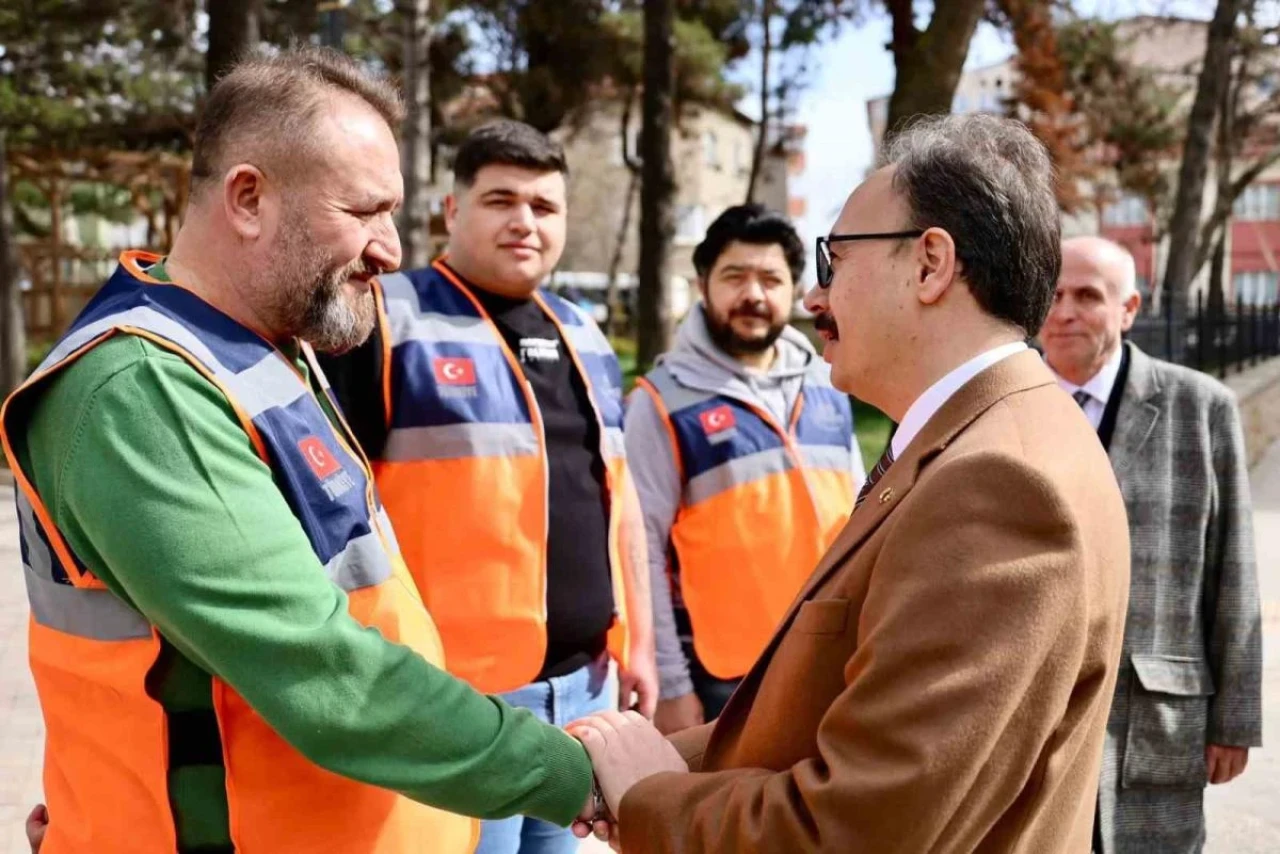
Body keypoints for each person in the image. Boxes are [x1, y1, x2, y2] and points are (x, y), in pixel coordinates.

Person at [2, 48, 598, 854]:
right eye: (365, 211)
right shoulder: (142, 387)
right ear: (249, 198)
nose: (391, 248)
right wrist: (579, 775)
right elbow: (328, 679)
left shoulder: (268, 345)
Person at [568, 113, 1133, 853]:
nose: (813, 297)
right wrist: (633, 763)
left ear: (931, 264)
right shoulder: (981, 436)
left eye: (834, 260)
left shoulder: (997, 481)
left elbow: (853, 829)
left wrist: (650, 797)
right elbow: (829, 716)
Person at [316, 118, 656, 854]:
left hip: (584, 694)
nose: (525, 221)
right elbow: (322, 515)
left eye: (544, 206)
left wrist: (643, 645)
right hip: (452, 701)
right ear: (451, 210)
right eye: (501, 200)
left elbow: (620, 503)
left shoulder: (584, 333)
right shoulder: (383, 318)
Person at [1039, 236, 1263, 854]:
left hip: (1153, 719)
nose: (1066, 312)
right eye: (1054, 295)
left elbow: (1234, 569)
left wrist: (1235, 720)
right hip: (1034, 721)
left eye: (1088, 296)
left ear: (1130, 308)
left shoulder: (1200, 407)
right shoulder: (1006, 406)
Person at [625, 204, 864, 733]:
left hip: (831, 663)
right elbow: (639, 550)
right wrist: (674, 684)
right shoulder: (661, 403)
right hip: (722, 682)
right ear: (702, 284)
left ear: (795, 291)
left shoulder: (830, 387)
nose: (753, 294)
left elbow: (859, 525)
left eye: (770, 279)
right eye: (735, 277)